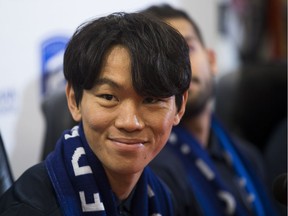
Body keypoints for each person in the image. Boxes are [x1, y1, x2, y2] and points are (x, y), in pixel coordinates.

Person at [0, 12, 191, 215]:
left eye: (151, 100)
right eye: (109, 97)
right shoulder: (30, 209)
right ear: (74, 100)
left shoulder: (160, 196)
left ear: (179, 107)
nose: (130, 122)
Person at [142, 4, 278, 216]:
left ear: (212, 60)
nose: (179, 66)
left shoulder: (249, 157)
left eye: (187, 49)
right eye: (161, 57)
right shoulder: (146, 166)